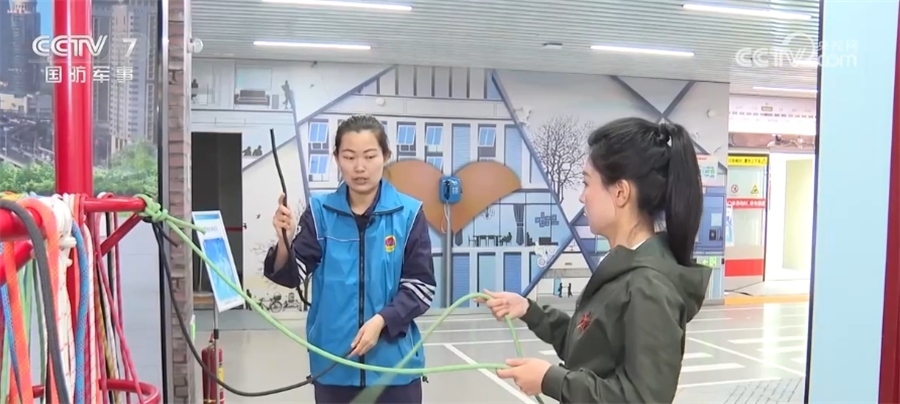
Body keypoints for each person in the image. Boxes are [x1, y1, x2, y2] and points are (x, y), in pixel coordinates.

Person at [481, 117, 712, 403]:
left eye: (586, 183)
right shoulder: (623, 267)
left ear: (620, 192)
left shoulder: (649, 286)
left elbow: (642, 398)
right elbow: (588, 349)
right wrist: (529, 310)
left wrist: (550, 379)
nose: (582, 197)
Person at [263, 115, 436, 404]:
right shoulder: (319, 213)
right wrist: (285, 240)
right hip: (334, 367)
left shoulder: (408, 214)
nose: (359, 167)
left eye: (369, 156)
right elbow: (292, 275)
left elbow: (421, 287)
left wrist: (382, 321)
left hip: (394, 370)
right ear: (336, 159)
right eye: (349, 156)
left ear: (386, 156)